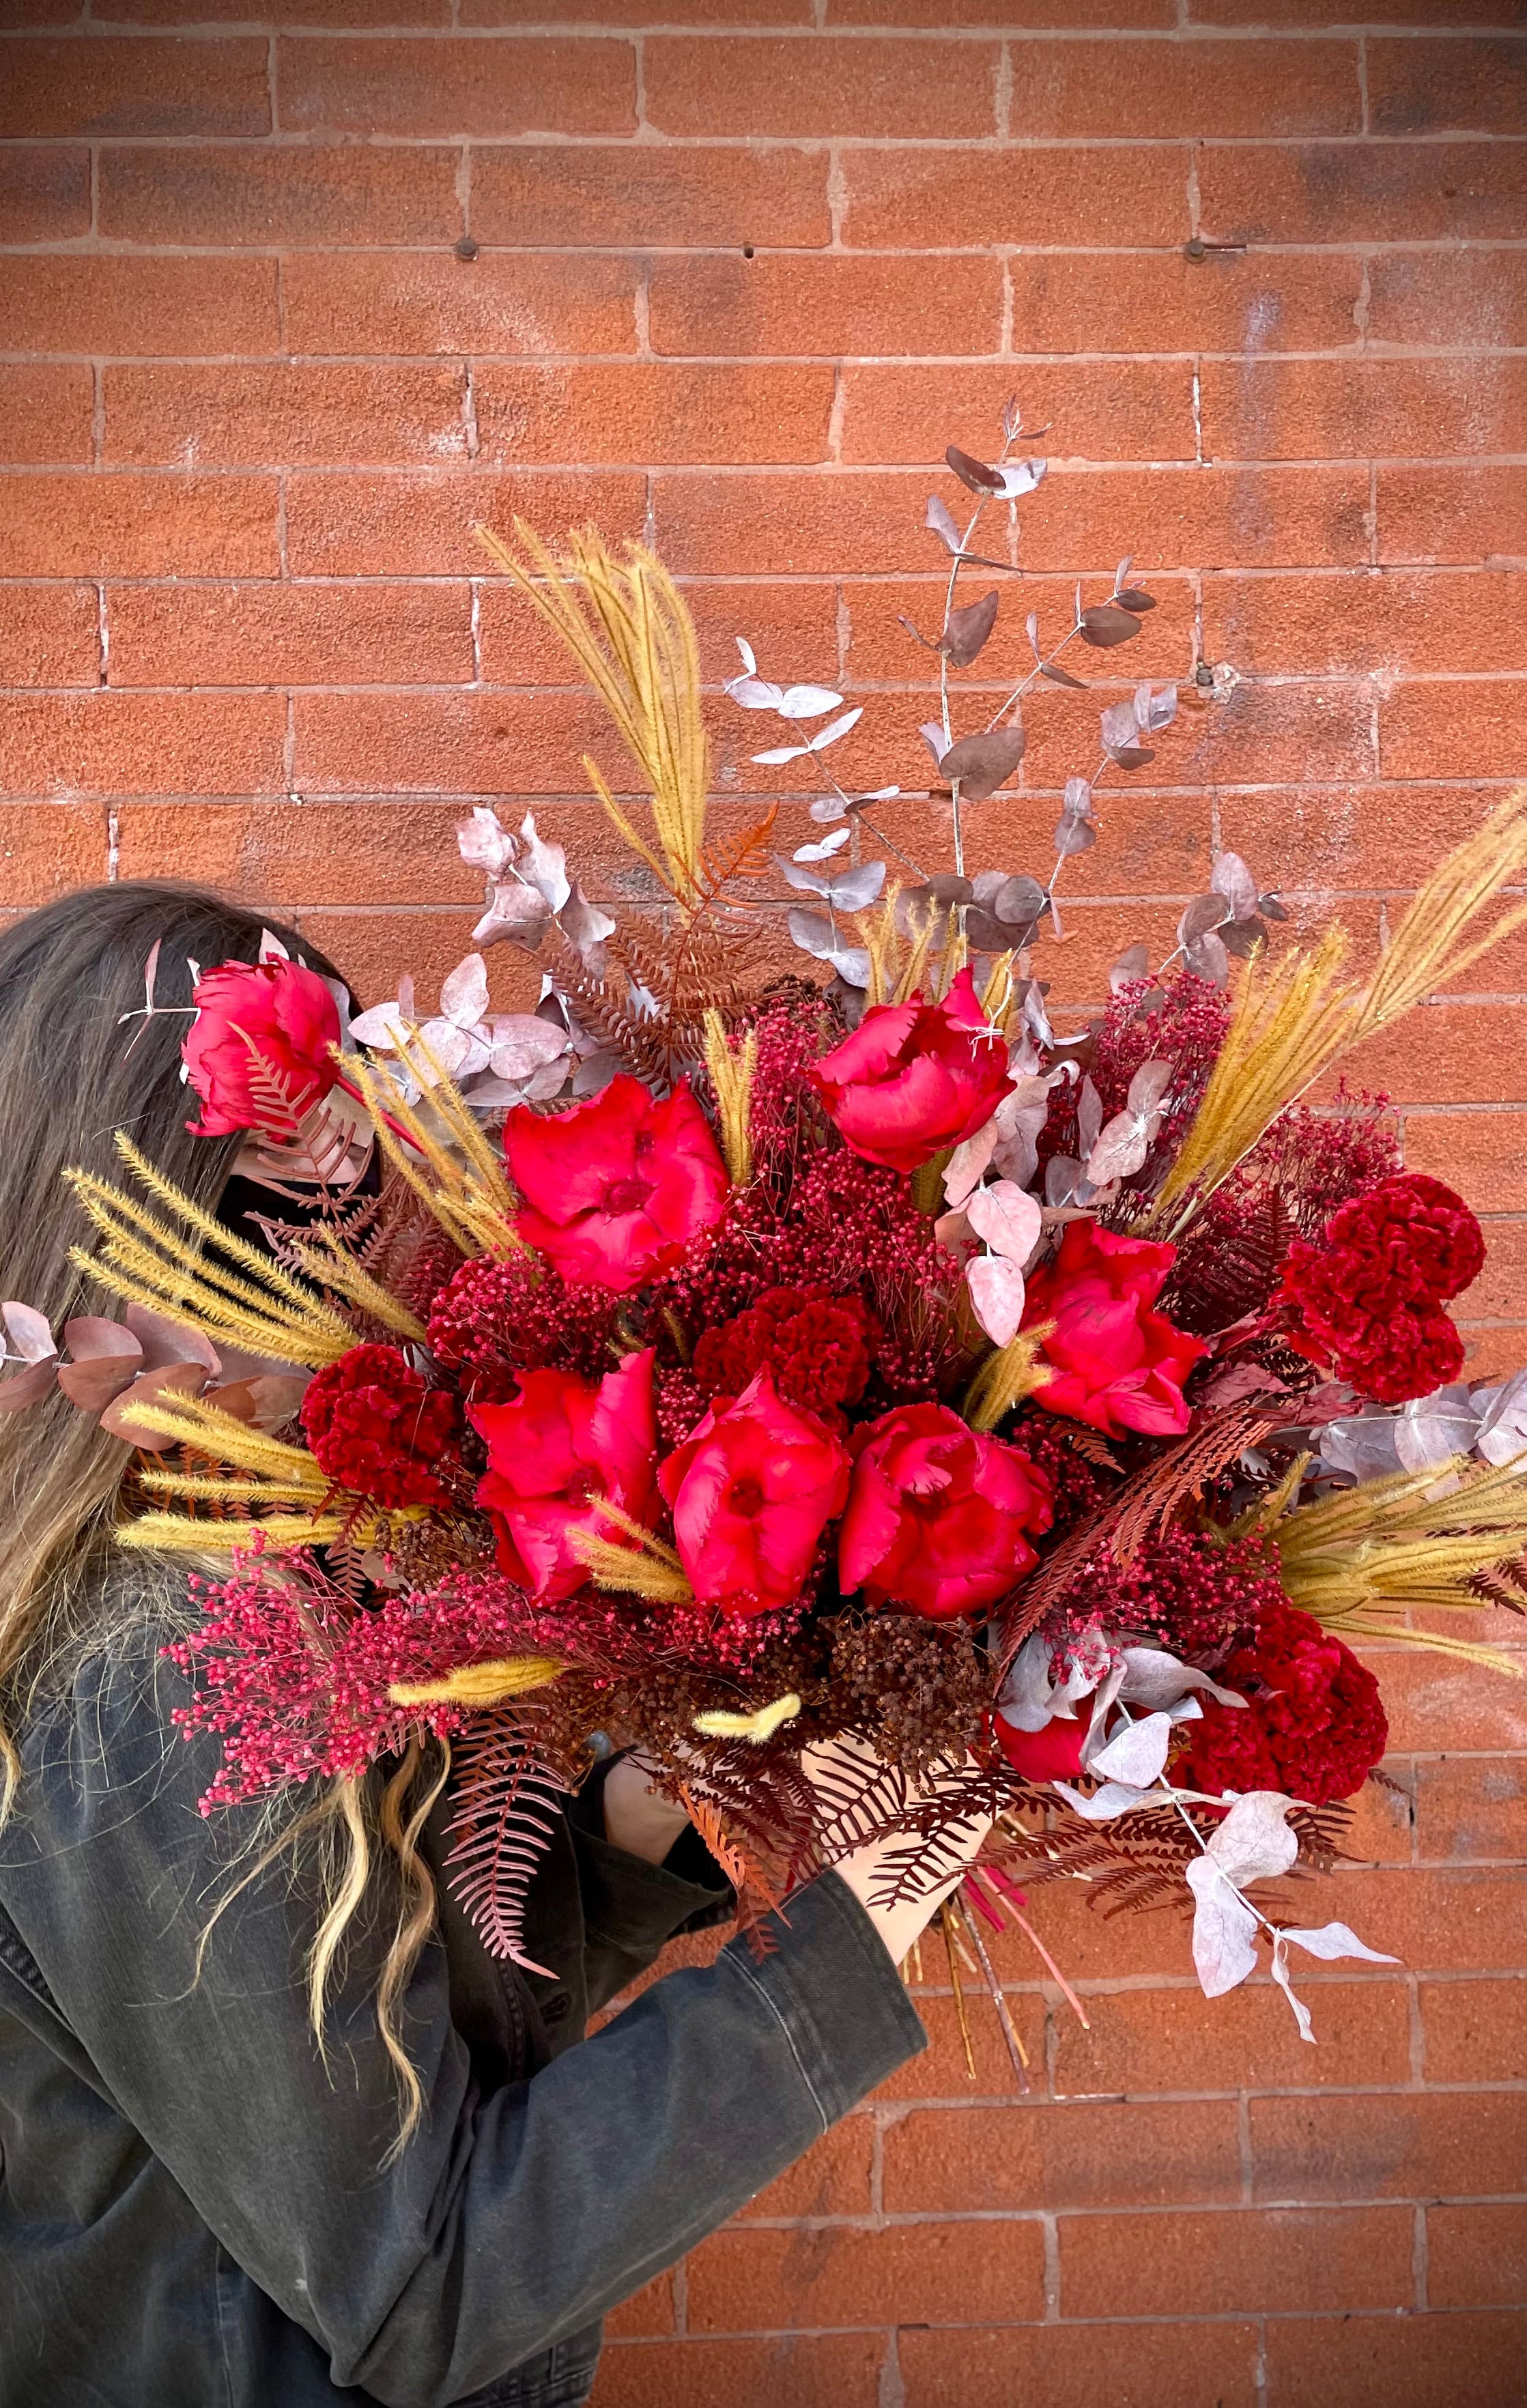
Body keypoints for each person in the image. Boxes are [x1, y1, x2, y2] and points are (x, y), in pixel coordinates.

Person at [0, 883, 981, 2408]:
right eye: (310, 1192)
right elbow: (422, 2285)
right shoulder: (158, 1666)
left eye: (359, 1155)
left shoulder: (236, 1565)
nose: (378, 1232)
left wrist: (621, 1838)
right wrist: (871, 1912)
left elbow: (379, 2055)